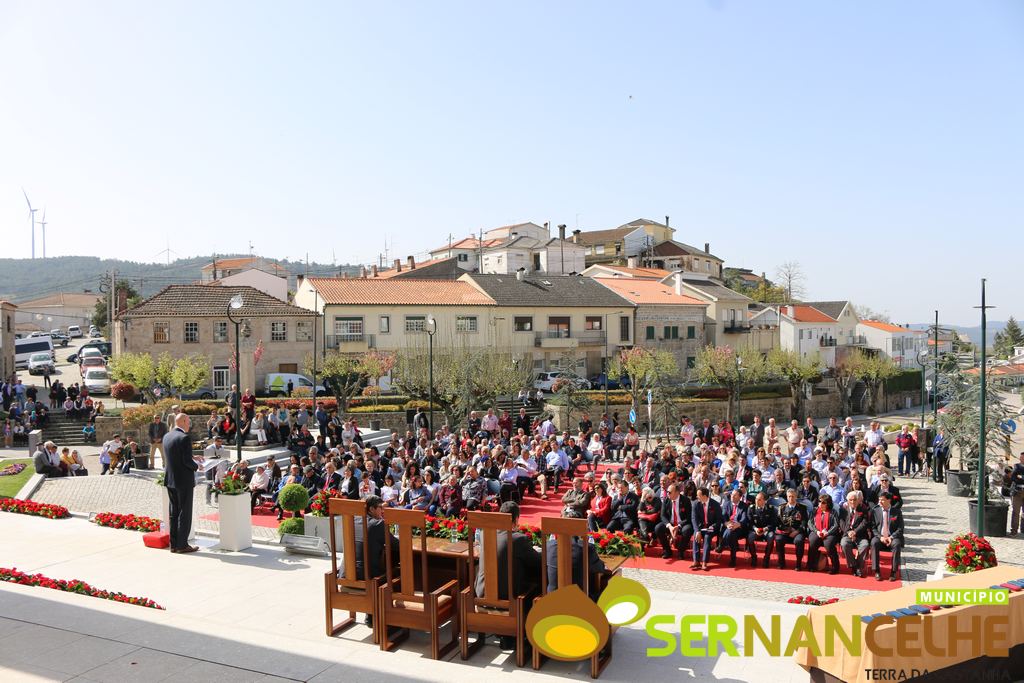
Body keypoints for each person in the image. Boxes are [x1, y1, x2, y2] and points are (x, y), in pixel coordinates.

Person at [474, 501, 542, 649]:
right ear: (516, 519)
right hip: (507, 600)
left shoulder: (485, 534)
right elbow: (538, 562)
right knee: (537, 586)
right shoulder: (518, 539)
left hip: (481, 594)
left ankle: (507, 635)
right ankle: (521, 637)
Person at [545, 509, 607, 599]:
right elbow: (600, 568)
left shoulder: (549, 545)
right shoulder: (586, 548)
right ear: (580, 527)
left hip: (552, 599)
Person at [164, 412, 201, 554]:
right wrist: (197, 465)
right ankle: (182, 545)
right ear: (184, 421)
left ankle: (173, 544)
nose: (189, 424)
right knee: (184, 513)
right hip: (184, 481)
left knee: (173, 512)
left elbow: (175, 454)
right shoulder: (184, 438)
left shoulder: (168, 436)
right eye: (189, 421)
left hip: (171, 480)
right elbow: (186, 462)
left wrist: (192, 457)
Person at [870, 492, 903, 581]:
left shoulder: (896, 512)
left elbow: (900, 528)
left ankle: (893, 572)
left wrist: (891, 537)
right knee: (874, 542)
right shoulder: (875, 511)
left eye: (882, 500)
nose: (880, 502)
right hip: (880, 537)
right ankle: (876, 571)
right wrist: (880, 537)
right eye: (879, 500)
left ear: (889, 500)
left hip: (892, 537)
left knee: (897, 544)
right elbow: (873, 527)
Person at [771, 488, 807, 571]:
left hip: (797, 532)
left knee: (799, 541)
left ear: (796, 497)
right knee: (778, 539)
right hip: (785, 532)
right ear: (787, 497)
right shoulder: (781, 507)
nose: (791, 498)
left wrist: (796, 531)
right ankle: (781, 563)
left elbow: (804, 523)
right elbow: (778, 522)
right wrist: (786, 529)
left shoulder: (802, 508)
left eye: (793, 496)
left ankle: (798, 564)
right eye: (789, 496)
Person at [807, 494, 841, 574]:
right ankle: (811, 565)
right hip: (817, 531)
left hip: (830, 533)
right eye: (819, 502)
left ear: (828, 504)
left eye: (823, 502)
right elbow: (810, 523)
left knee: (828, 544)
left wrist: (827, 532)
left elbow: (836, 525)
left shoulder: (833, 512)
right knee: (812, 541)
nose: (820, 504)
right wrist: (817, 531)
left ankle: (835, 567)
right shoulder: (814, 511)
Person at [840, 491, 871, 577]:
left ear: (858, 500)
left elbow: (864, 523)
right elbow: (841, 523)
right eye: (850, 500)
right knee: (844, 544)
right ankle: (854, 566)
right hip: (847, 534)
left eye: (854, 500)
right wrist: (849, 532)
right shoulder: (843, 510)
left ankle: (858, 567)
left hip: (860, 535)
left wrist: (855, 532)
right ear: (847, 501)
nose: (853, 502)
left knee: (865, 545)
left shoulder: (863, 509)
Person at [719, 489, 748, 567]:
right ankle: (733, 560)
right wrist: (727, 524)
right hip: (728, 526)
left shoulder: (744, 506)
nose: (732, 496)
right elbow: (723, 516)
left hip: (739, 528)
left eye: (735, 495)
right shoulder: (726, 504)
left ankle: (722, 545)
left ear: (740, 497)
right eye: (732, 494)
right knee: (732, 534)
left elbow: (744, 519)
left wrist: (737, 525)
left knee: (732, 532)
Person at [1010, 452, 1024, 536]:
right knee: (1016, 512)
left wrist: (1021, 476)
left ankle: (1023, 530)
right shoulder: (1017, 466)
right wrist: (1020, 478)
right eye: (1021, 457)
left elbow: (1018, 477)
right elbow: (1013, 478)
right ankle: (1014, 530)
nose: (1022, 459)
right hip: (1017, 492)